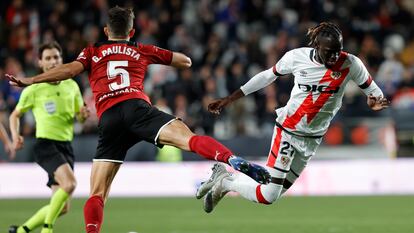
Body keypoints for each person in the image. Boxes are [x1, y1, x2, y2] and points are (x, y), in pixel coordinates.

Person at [6, 6, 270, 233]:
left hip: (109, 119)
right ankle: (229, 159)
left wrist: (30, 79)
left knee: (98, 193)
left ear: (106, 31)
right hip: (137, 108)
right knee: (189, 139)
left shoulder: (92, 52)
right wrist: (151, 53)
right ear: (131, 32)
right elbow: (185, 61)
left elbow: (66, 71)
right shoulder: (140, 48)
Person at [196, 22, 390, 213]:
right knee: (269, 196)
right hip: (288, 131)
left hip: (313, 139)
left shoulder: (351, 64)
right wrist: (231, 98)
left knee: (273, 192)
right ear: (317, 46)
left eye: (338, 50)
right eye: (329, 51)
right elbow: (266, 76)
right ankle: (226, 182)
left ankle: (225, 181)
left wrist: (375, 103)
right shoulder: (297, 57)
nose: (334, 56)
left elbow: (375, 94)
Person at [8, 41, 90, 233]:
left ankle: (21, 230)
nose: (53, 61)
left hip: (66, 147)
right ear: (40, 62)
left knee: (62, 207)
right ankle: (47, 229)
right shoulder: (34, 89)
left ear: (61, 60)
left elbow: (79, 116)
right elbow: (15, 115)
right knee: (70, 184)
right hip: (46, 144)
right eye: (48, 58)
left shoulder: (72, 86)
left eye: (56, 57)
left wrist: (83, 116)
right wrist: (15, 135)